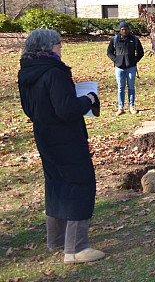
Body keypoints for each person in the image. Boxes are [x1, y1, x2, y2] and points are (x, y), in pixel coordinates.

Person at [18, 29, 104, 264]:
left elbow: (29, 109)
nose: (61, 47)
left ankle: (56, 240)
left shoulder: (27, 72)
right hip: (66, 138)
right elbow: (66, 109)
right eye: (58, 43)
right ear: (47, 47)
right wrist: (88, 99)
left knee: (57, 183)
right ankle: (76, 248)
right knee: (79, 184)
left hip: (45, 136)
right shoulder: (54, 73)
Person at [107, 21, 144, 115]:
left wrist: (135, 60)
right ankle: (121, 107)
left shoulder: (134, 39)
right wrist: (115, 60)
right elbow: (109, 52)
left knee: (131, 87)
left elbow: (141, 52)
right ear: (120, 30)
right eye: (122, 29)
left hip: (131, 67)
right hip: (119, 68)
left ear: (128, 30)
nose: (124, 31)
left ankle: (132, 106)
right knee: (120, 88)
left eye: (126, 29)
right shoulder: (115, 39)